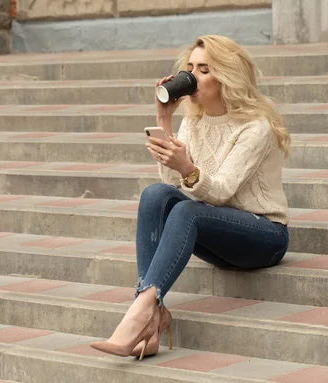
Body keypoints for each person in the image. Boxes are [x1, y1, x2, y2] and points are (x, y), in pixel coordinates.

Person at [91, 35, 290, 360]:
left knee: (187, 213)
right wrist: (164, 120)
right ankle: (152, 315)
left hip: (264, 235)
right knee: (156, 195)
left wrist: (188, 168)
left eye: (205, 69)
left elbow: (223, 190)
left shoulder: (256, 127)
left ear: (226, 76)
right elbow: (174, 187)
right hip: (218, 232)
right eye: (191, 68)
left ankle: (141, 312)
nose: (193, 76)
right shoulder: (193, 122)